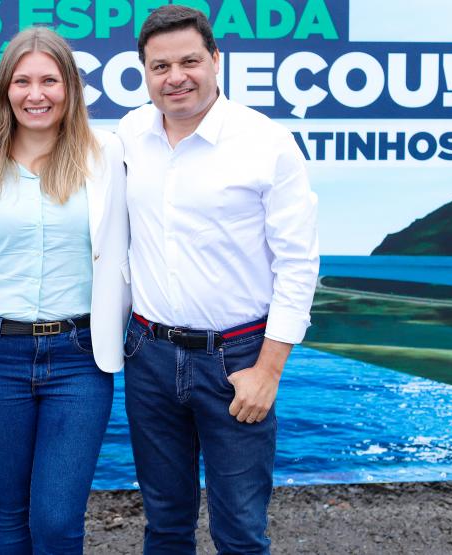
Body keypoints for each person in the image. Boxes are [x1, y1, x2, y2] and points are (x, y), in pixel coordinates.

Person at [116, 6, 319, 554]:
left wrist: (268, 373)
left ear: (216, 61)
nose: (175, 76)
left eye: (189, 61)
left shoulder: (266, 143)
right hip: (150, 357)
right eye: (160, 66)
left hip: (238, 359)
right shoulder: (130, 134)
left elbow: (298, 264)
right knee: (164, 525)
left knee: (240, 532)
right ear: (144, 71)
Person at [0, 26, 131, 554]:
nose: (36, 94)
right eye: (23, 81)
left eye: (50, 80)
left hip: (78, 357)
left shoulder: (107, 156)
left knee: (55, 520)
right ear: (5, 89)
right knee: (7, 515)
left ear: (70, 87)